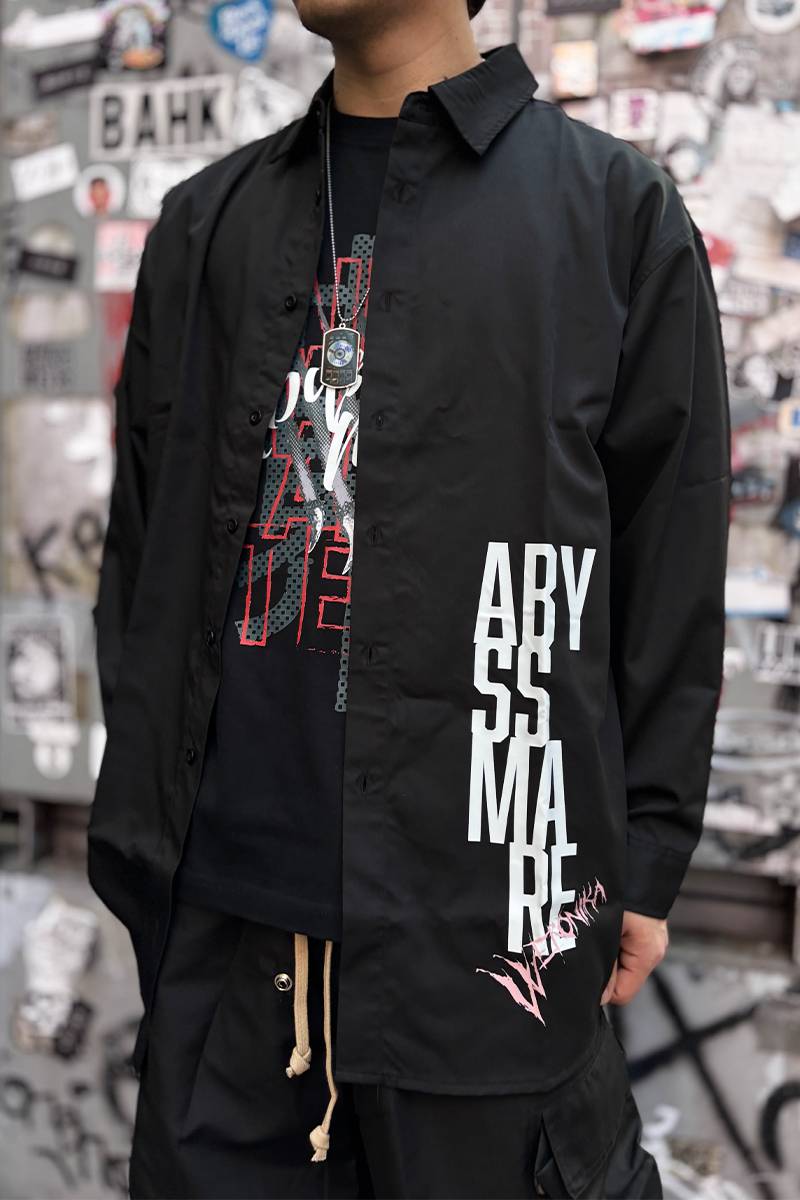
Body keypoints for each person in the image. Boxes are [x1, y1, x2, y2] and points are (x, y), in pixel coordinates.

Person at [87, 0, 732, 1196]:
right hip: (222, 965)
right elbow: (142, 571)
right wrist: (142, 857)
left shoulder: (610, 214)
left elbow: (671, 565)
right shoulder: (206, 224)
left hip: (486, 957)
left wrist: (643, 859)